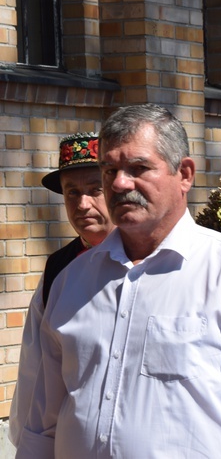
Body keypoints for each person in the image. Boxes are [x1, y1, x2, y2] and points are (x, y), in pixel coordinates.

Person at [15, 104, 221, 458]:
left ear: (185, 175)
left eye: (138, 168)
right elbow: (41, 428)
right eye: (110, 169)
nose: (119, 183)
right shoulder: (70, 282)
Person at [9, 132, 115, 446]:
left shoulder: (150, 258)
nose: (82, 204)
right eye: (72, 193)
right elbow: (34, 364)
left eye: (95, 190)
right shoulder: (58, 268)